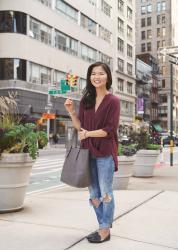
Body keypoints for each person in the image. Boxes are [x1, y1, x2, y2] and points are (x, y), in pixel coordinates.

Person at [64, 62, 120, 243]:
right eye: (93, 73)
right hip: (88, 153)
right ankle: (102, 225)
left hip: (105, 152)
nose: (97, 76)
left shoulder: (113, 101)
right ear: (90, 77)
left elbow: (109, 130)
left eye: (101, 73)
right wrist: (72, 112)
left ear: (107, 77)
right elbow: (80, 126)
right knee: (94, 193)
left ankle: (104, 230)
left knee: (106, 192)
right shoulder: (86, 101)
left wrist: (87, 134)